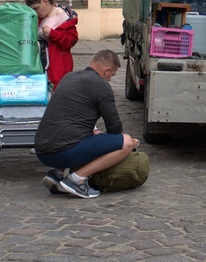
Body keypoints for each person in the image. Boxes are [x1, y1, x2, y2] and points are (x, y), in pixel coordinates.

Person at [34, 49, 139, 199]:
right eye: (112, 75)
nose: (109, 79)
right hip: (63, 152)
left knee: (81, 130)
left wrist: (94, 131)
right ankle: (77, 179)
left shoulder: (69, 77)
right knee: (126, 142)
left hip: (42, 151)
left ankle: (56, 173)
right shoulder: (101, 86)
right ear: (106, 70)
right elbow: (114, 128)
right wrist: (105, 138)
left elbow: (66, 115)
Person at [25, 0, 79, 89]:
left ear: (45, 1)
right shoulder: (40, 17)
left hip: (58, 64)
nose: (35, 12)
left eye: (36, 8)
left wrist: (53, 34)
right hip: (42, 62)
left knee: (56, 92)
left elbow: (70, 41)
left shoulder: (64, 16)